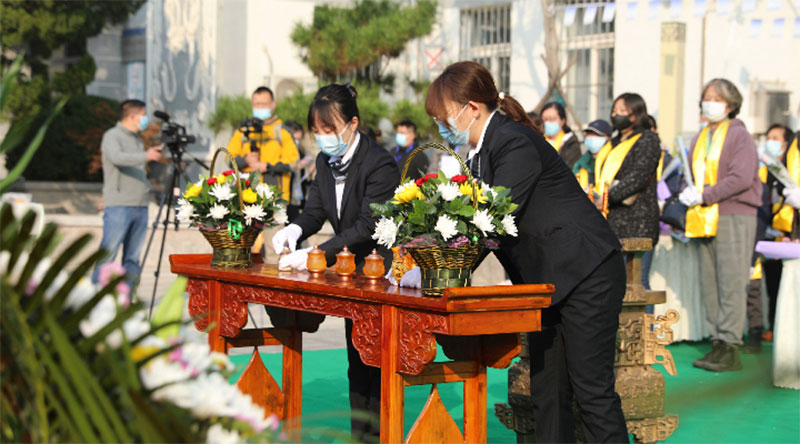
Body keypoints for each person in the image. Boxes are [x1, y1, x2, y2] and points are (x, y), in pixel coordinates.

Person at [420, 61, 628, 443]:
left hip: (587, 273)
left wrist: (441, 262)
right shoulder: (482, 152)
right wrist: (434, 260)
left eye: (444, 117)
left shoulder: (512, 141)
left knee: (592, 392)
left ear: (472, 109)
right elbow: (484, 227)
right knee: (548, 392)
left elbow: (494, 218)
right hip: (547, 283)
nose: (441, 126)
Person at [270, 83, 399, 441]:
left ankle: (380, 436)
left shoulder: (380, 164)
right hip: (348, 274)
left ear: (352, 124)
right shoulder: (325, 161)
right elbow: (314, 212)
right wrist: (294, 229)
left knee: (376, 365)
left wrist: (315, 254)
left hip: (380, 272)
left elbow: (367, 226)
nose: (323, 138)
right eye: (317, 131)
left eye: (329, 130)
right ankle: (361, 436)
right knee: (356, 363)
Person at [678, 78, 762, 372]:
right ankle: (717, 341)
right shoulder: (701, 136)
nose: (708, 102)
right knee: (710, 283)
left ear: (729, 104)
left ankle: (730, 344)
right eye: (706, 97)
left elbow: (741, 177)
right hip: (704, 216)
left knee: (731, 281)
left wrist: (704, 195)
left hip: (733, 213)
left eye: (715, 97)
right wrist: (688, 192)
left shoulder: (738, 135)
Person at [93, 100, 163, 287]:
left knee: (132, 259)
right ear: (132, 116)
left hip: (140, 205)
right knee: (107, 256)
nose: (145, 119)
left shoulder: (137, 139)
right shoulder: (112, 136)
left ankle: (127, 300)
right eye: (143, 115)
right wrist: (145, 156)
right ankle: (93, 299)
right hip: (119, 205)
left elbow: (137, 169)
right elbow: (117, 158)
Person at [597, 93, 662, 257]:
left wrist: (606, 197)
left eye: (622, 110)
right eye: (614, 110)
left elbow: (637, 177)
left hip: (637, 220)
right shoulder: (612, 143)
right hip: (610, 220)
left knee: (638, 279)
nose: (615, 115)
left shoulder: (647, 139)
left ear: (635, 114)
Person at [754, 124, 798, 347]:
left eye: (775, 138)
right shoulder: (769, 168)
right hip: (774, 233)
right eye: (768, 137)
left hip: (793, 230)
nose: (770, 141)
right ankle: (773, 326)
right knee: (773, 284)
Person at [226, 86, 299, 201]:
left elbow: (293, 163)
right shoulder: (242, 131)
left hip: (275, 196)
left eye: (263, 104)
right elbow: (228, 158)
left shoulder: (283, 132)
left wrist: (267, 166)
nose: (259, 108)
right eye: (256, 104)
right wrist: (245, 160)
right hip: (246, 196)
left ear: (273, 105)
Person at [572, 119, 613, 191]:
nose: (592, 137)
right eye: (589, 134)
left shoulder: (612, 161)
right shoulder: (580, 163)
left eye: (597, 135)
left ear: (609, 138)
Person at [541, 101, 582, 168]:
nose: (548, 123)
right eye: (545, 119)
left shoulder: (570, 143)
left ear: (563, 120)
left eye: (552, 119)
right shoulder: (539, 140)